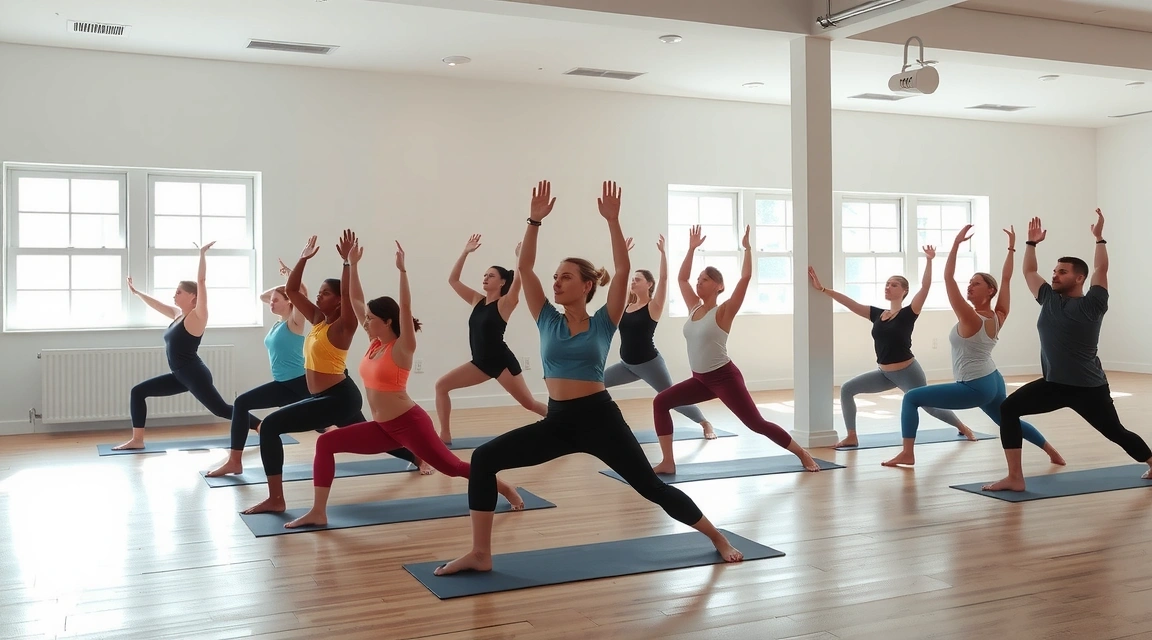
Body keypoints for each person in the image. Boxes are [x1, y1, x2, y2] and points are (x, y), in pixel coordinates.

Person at [434, 180, 742, 576]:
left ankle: (717, 537)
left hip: (600, 419)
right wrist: (534, 221)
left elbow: (624, 268)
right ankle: (480, 552)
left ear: (587, 285)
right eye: (556, 277)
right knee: (483, 459)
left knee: (651, 487)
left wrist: (612, 222)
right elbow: (525, 268)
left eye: (565, 277)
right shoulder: (546, 317)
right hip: (559, 421)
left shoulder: (603, 322)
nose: (556, 282)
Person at [286, 231, 524, 528]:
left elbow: (406, 308)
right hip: (383, 427)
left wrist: (402, 271)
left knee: (453, 468)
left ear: (387, 321)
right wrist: (352, 265)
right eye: (367, 317)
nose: (366, 321)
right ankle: (318, 511)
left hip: (410, 424)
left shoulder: (402, 347)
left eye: (372, 318)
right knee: (326, 444)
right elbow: (356, 299)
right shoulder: (374, 342)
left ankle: (506, 488)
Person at [242, 236, 426, 515]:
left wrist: (347, 264)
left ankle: (276, 498)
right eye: (320, 291)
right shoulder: (317, 320)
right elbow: (292, 290)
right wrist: (303, 258)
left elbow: (354, 297)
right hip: (334, 397)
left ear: (339, 302)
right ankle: (415, 455)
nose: (319, 295)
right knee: (372, 439)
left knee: (269, 427)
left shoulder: (344, 326)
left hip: (338, 398)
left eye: (326, 293)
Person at [984, 211, 1152, 491]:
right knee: (1009, 408)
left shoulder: (1093, 304)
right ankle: (1015, 477)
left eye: (1062, 272)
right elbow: (1028, 271)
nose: (1055, 275)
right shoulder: (1048, 298)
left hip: (1088, 388)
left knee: (1116, 433)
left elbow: (1101, 270)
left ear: (1079, 278)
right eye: (1054, 271)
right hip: (1054, 384)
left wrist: (1099, 239)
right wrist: (1031, 244)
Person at [882, 225, 1065, 467]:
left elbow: (948, 279)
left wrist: (956, 244)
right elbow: (1007, 279)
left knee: (912, 398)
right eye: (969, 282)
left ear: (990, 290)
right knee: (1005, 420)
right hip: (993, 378)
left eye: (975, 283)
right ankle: (1052, 451)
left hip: (975, 385)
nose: (969, 286)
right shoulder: (999, 314)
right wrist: (1011, 248)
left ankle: (907, 453)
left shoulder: (970, 317)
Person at [649, 226, 820, 474]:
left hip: (724, 377)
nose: (698, 282)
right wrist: (691, 249)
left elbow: (745, 278)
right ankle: (668, 461)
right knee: (661, 401)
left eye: (705, 279)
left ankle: (801, 452)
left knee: (756, 423)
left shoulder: (724, 310)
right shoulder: (694, 308)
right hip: (700, 379)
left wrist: (748, 249)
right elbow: (682, 279)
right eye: (699, 279)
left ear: (719, 286)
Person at [807, 251, 974, 448]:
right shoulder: (877, 314)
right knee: (847, 389)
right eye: (887, 283)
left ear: (904, 291)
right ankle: (851, 436)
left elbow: (926, 286)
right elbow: (850, 303)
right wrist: (823, 289)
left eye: (894, 284)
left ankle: (963, 427)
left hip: (908, 372)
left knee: (929, 407)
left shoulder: (908, 313)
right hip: (884, 373)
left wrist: (929, 261)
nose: (888, 287)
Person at [113, 241, 235, 450]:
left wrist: (202, 254)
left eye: (179, 292)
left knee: (221, 409)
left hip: (194, 374)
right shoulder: (179, 315)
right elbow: (158, 305)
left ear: (193, 297)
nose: (174, 295)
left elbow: (202, 280)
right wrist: (137, 293)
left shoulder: (198, 316)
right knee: (138, 392)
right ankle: (137, 440)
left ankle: (261, 426)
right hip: (180, 375)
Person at [434, 234, 547, 445]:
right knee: (441, 386)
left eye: (491, 275)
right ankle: (445, 435)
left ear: (502, 282)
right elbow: (453, 280)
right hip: (480, 363)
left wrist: (519, 257)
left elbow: (519, 283)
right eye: (484, 275)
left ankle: (561, 422)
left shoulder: (505, 303)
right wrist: (465, 252)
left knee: (529, 404)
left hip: (501, 363)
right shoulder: (477, 300)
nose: (485, 278)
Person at [205, 260, 312, 477]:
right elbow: (264, 296)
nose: (270, 303)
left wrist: (291, 281)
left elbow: (303, 295)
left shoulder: (295, 322)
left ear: (289, 302)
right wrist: (280, 289)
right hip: (283, 385)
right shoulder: (277, 324)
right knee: (241, 403)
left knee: (345, 423)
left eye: (276, 300)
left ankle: (401, 450)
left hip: (301, 383)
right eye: (271, 301)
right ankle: (234, 461)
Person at [603, 234, 717, 439]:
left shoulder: (653, 307)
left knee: (672, 399)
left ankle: (705, 423)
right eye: (632, 279)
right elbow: (617, 284)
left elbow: (664, 279)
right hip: (627, 364)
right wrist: (623, 257)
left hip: (649, 364)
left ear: (649, 284)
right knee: (597, 383)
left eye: (637, 279)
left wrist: (664, 254)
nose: (633, 282)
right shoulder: (626, 305)